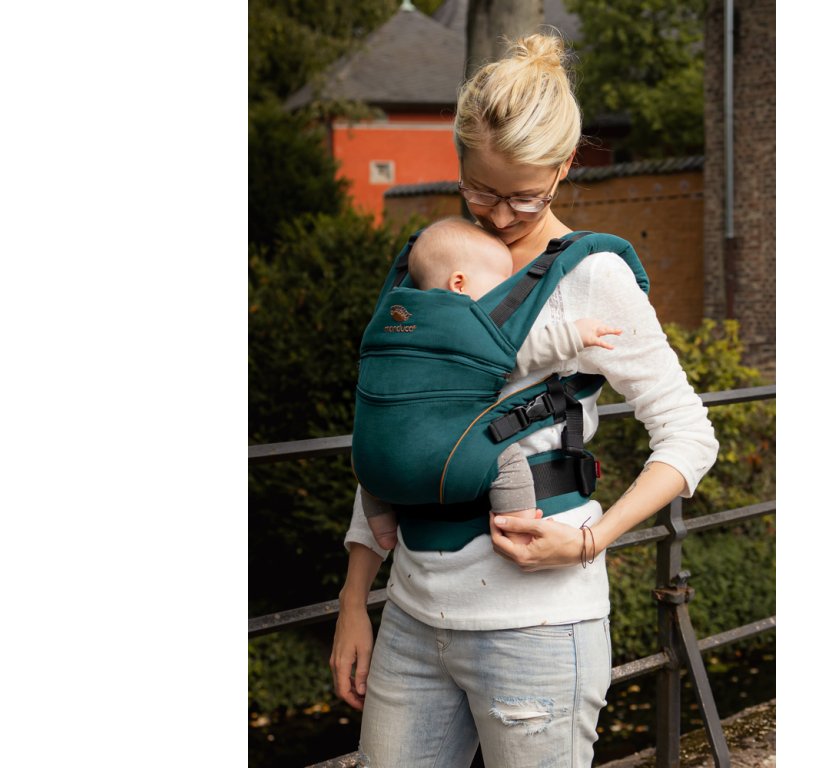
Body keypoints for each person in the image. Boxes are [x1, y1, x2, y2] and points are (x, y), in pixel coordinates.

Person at [331, 32, 719, 768]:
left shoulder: (592, 275)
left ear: (566, 165)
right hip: (411, 617)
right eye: (480, 191)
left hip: (538, 628)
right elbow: (399, 423)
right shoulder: (434, 258)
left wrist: (592, 540)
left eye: (525, 197)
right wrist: (355, 599)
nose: (502, 216)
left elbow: (689, 435)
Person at [359, 216, 623, 550]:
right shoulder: (464, 325)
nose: (503, 292)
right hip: (447, 460)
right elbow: (518, 356)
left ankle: (384, 530)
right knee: (507, 460)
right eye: (499, 283)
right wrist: (574, 335)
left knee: (374, 466)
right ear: (459, 283)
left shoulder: (390, 323)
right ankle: (519, 528)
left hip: (374, 461)